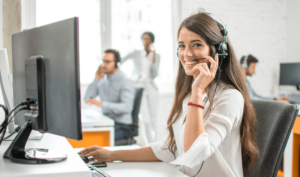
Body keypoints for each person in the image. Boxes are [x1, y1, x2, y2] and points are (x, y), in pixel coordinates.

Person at [79, 12, 259, 177]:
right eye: (182, 46)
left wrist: (197, 92)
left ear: (219, 51)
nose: (187, 54)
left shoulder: (230, 97)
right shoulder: (189, 94)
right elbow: (172, 149)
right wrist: (113, 155)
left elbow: (192, 154)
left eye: (196, 44)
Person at [84, 49, 135, 141]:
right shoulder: (103, 81)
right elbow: (87, 99)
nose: (103, 65)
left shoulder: (125, 81)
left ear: (117, 63)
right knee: (85, 135)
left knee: (93, 140)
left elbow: (127, 107)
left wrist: (102, 104)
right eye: (103, 61)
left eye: (107, 62)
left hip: (121, 125)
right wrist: (96, 79)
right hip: (106, 122)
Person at [121, 32, 160, 143]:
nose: (145, 41)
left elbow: (155, 74)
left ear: (152, 41)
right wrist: (128, 79)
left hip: (151, 88)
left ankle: (155, 144)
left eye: (147, 39)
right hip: (139, 87)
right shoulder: (136, 53)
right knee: (146, 120)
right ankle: (149, 145)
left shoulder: (156, 56)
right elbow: (120, 62)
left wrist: (153, 59)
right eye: (143, 39)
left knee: (153, 119)